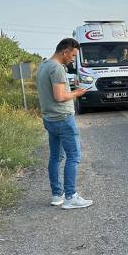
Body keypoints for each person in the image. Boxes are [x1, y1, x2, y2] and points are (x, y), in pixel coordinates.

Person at [36, 38, 93, 209]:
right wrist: (77, 93)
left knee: (55, 157)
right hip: (63, 119)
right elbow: (59, 97)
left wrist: (69, 89)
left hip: (50, 119)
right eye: (73, 55)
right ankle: (70, 197)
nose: (73, 59)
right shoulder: (57, 69)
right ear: (65, 52)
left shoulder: (44, 65)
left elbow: (54, 91)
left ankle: (56, 195)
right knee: (73, 157)